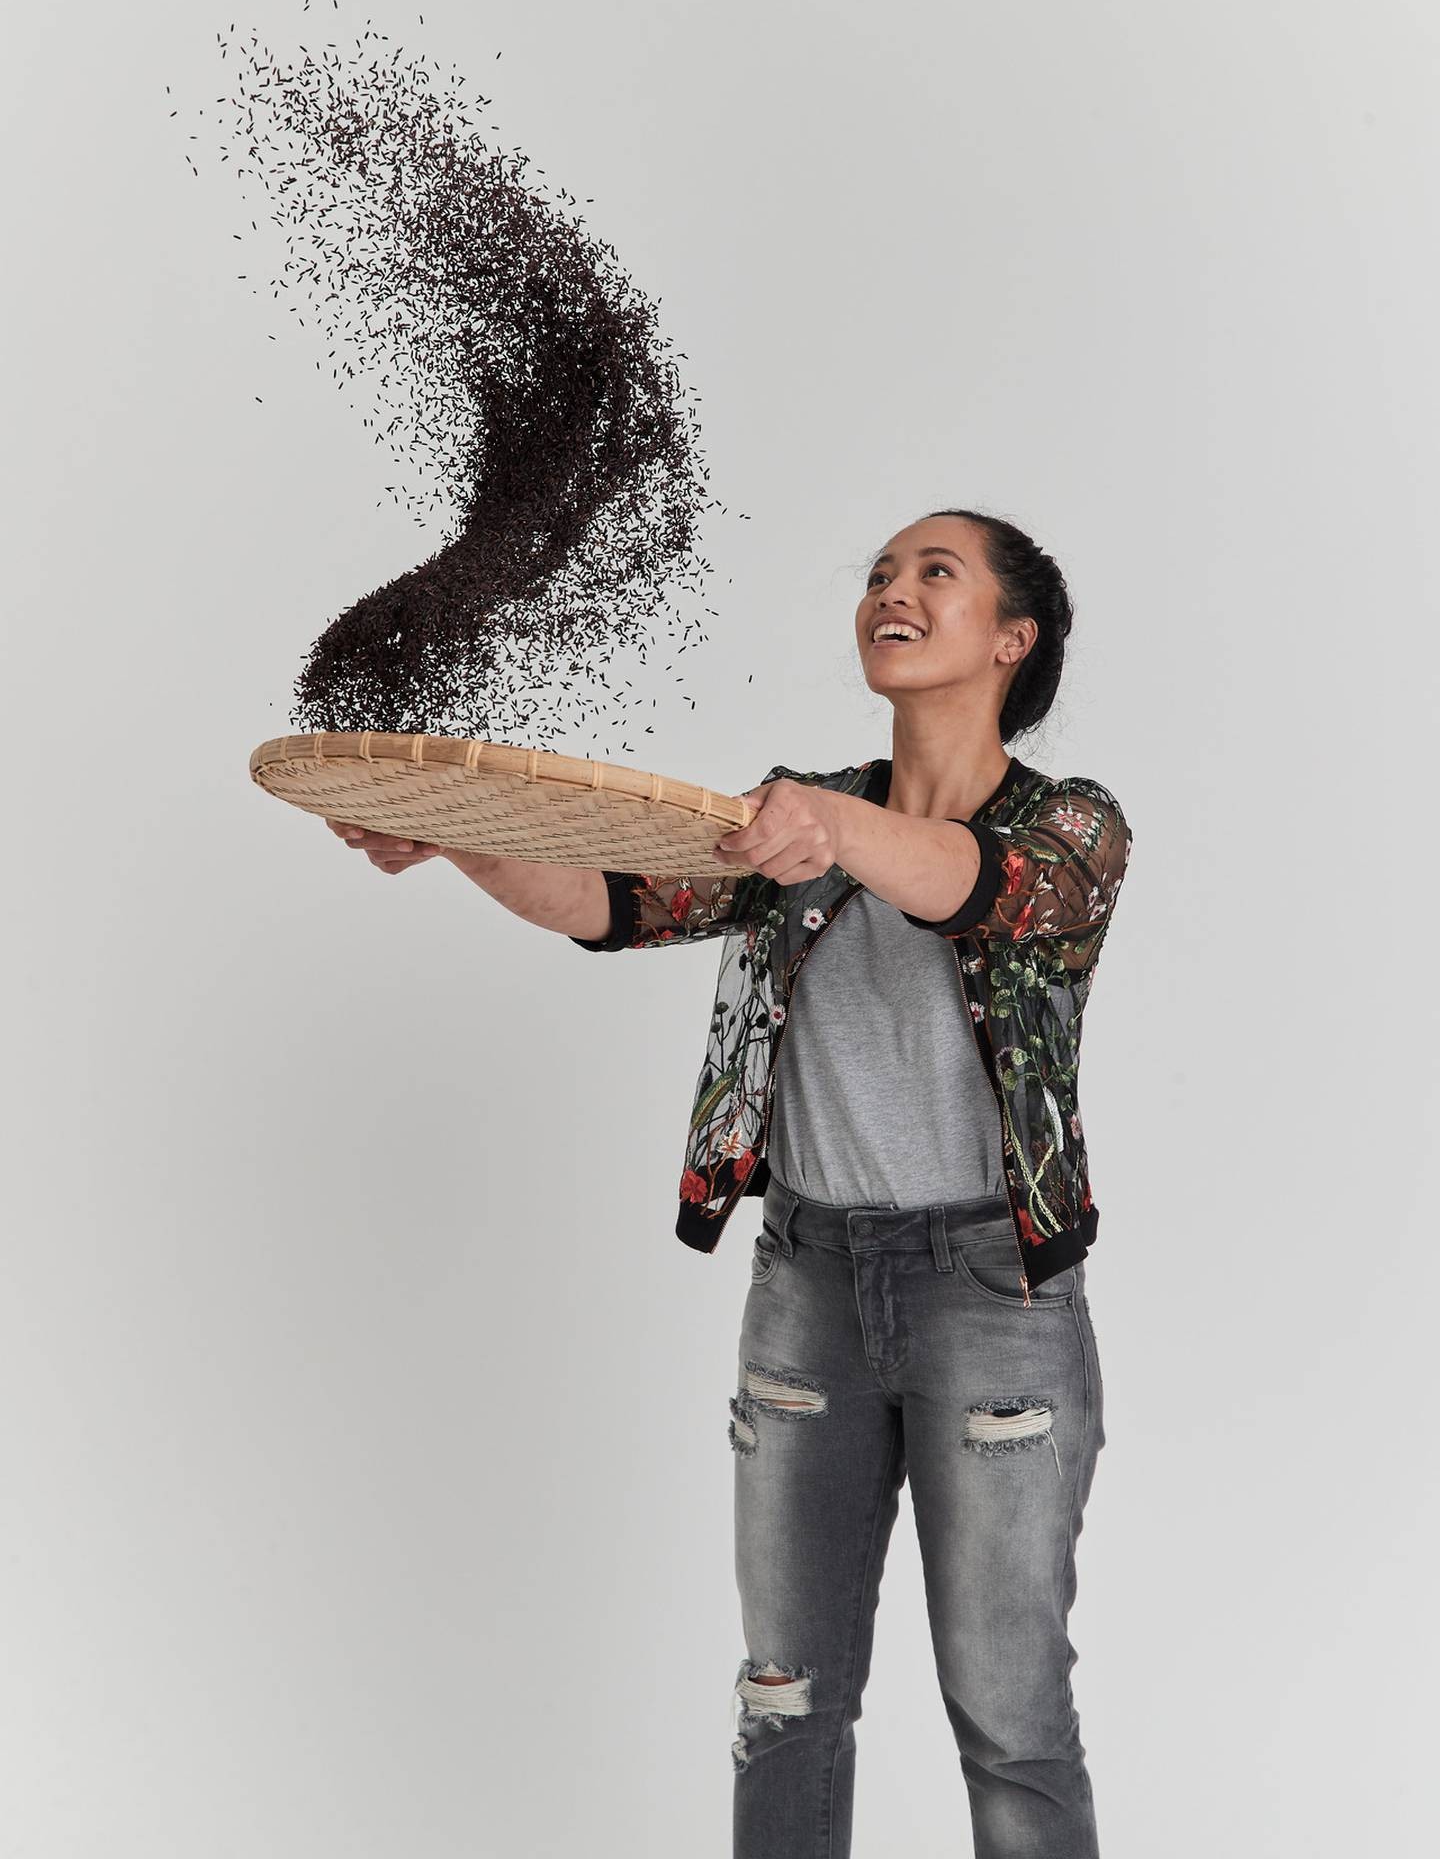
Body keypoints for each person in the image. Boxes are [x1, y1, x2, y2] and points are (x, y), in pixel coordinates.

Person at [328, 507, 1132, 1859]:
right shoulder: (791, 828)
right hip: (805, 1287)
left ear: (1012, 636)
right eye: (878, 570)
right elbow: (612, 902)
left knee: (1011, 1716)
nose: (892, 588)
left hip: (995, 1302)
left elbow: (978, 884)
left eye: (936, 573)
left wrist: (835, 825)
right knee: (787, 1699)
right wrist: (453, 833)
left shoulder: (1072, 831)